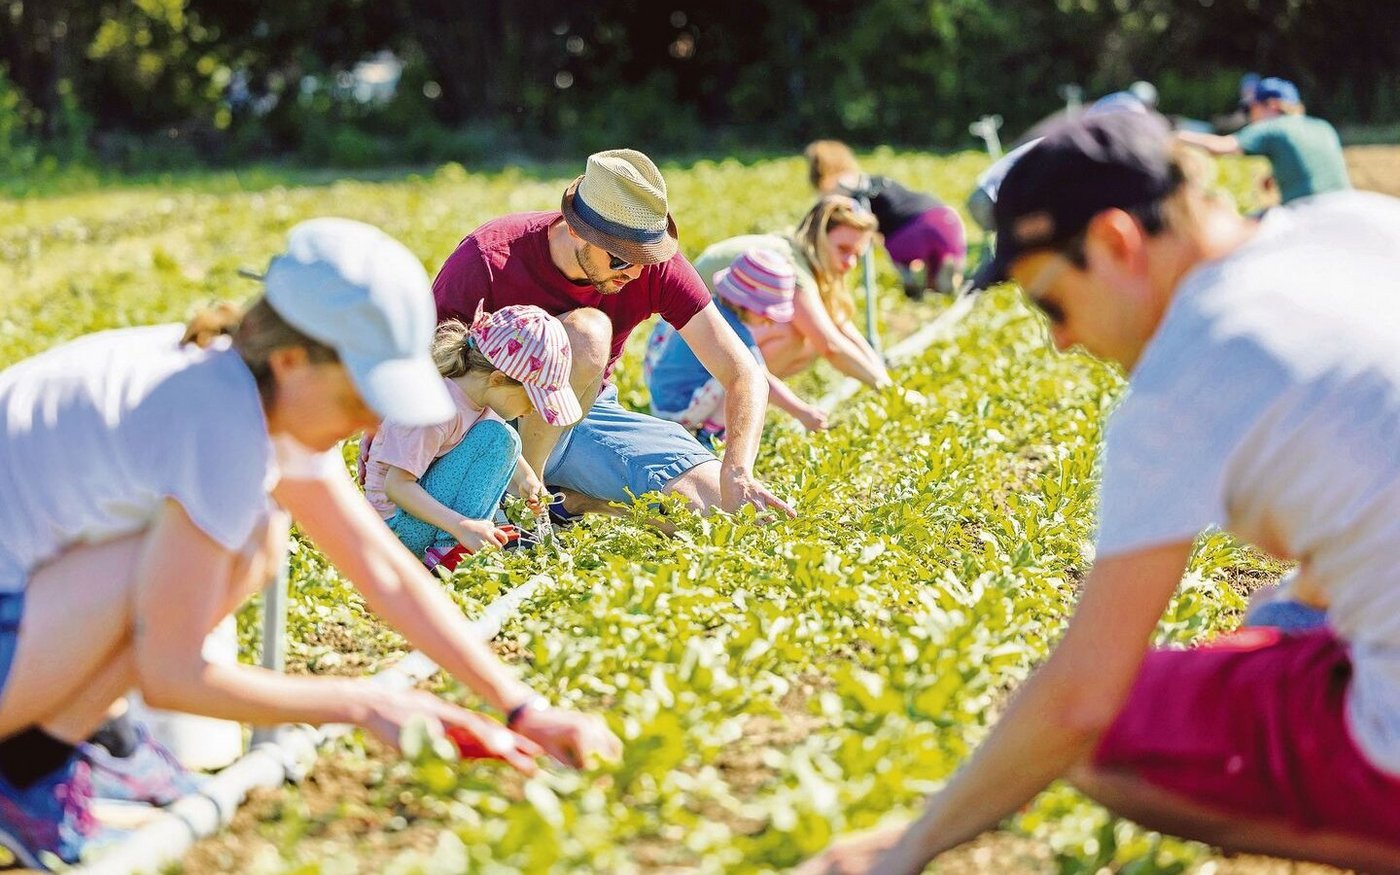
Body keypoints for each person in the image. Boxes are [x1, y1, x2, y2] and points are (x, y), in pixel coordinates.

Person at [800, 112, 1400, 874]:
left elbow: (1082, 698)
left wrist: (904, 848)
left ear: (1118, 242)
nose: (1060, 339)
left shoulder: (1189, 369)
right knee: (1283, 608)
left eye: (1052, 303)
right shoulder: (1354, 224)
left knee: (1112, 729)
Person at [0, 218, 621, 869]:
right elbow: (171, 672)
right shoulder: (216, 421)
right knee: (222, 546)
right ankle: (29, 767)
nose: (373, 419)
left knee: (256, 541)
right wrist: (367, 704)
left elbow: (382, 569)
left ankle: (38, 757)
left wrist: (522, 708)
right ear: (293, 360)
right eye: (362, 395)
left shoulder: (245, 386)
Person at [434, 149, 793, 522]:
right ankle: (523, 503)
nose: (635, 272)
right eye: (620, 257)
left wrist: (737, 470)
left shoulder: (653, 269)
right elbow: (430, 369)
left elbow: (743, 373)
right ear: (576, 229)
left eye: (646, 255)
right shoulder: (488, 257)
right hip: (486, 419)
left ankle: (567, 502)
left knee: (723, 511)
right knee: (588, 332)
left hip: (579, 417)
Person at [358, 304, 580, 573]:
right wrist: (461, 526)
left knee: (504, 437)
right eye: (532, 399)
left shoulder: (477, 397)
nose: (534, 410)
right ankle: (448, 551)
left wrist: (528, 480)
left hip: (414, 522)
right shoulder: (436, 410)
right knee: (499, 438)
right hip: (394, 531)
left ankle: (453, 544)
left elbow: (504, 445)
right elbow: (397, 486)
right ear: (498, 379)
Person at [692, 196, 892, 390]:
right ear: (820, 238)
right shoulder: (792, 265)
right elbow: (831, 346)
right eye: (843, 249)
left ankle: (735, 396)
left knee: (807, 343)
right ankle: (727, 401)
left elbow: (841, 324)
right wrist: (886, 390)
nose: (850, 262)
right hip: (686, 345)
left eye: (857, 255)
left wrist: (883, 375)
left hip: (702, 338)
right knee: (796, 334)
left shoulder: (799, 251)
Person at [644, 248, 827, 447]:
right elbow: (762, 381)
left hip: (660, 394)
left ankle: (705, 425)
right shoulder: (734, 330)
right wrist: (803, 413)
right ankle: (710, 434)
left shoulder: (705, 307)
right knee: (743, 376)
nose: (770, 321)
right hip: (678, 408)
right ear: (749, 305)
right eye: (767, 314)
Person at [804, 140, 968, 298]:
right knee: (936, 276)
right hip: (948, 219)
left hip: (912, 231)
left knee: (887, 239)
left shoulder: (839, 186)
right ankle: (940, 279)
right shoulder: (873, 180)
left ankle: (910, 279)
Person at [1177, 76, 1351, 205]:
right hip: (1346, 201)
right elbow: (1311, 162)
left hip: (1309, 208)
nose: (1250, 117)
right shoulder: (1322, 126)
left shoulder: (1272, 127)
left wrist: (1177, 136)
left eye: (1251, 109)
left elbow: (1221, 146)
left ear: (1272, 105)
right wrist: (1273, 176)